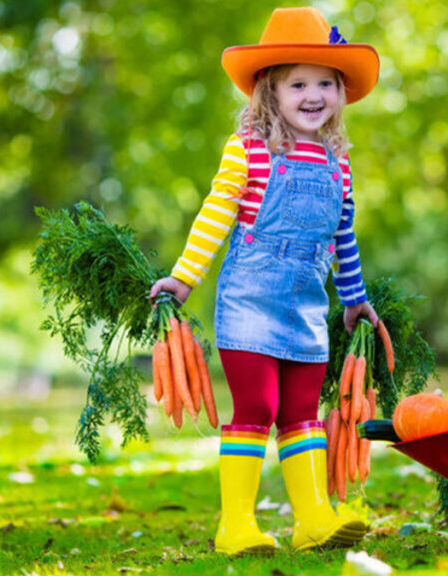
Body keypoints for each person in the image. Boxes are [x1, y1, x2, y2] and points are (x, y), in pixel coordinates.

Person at [149, 7, 380, 554]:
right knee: (258, 407)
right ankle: (236, 525)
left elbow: (342, 238)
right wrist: (184, 280)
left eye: (326, 83)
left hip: (305, 305)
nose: (314, 94)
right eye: (298, 83)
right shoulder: (248, 149)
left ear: (341, 94)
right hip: (249, 300)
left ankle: (312, 520)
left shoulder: (339, 162)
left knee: (302, 412)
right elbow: (215, 215)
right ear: (269, 92)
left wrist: (354, 300)